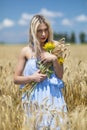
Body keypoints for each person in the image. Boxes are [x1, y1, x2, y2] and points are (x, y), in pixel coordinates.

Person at [14, 14, 67, 129]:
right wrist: (32, 78)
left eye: (45, 30)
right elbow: (16, 79)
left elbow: (60, 75)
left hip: (53, 97)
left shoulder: (56, 47)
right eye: (39, 31)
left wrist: (54, 59)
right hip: (34, 100)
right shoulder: (26, 51)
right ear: (33, 31)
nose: (43, 34)